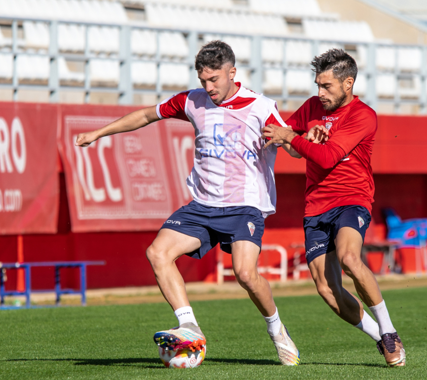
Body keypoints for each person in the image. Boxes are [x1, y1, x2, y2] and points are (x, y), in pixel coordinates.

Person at [75, 40, 300, 366]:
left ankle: (277, 330)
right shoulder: (191, 101)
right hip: (203, 205)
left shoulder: (261, 106)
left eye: (215, 80)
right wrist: (99, 133)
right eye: (203, 80)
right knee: (158, 252)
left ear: (232, 73)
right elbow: (144, 116)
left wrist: (290, 141)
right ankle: (189, 325)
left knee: (246, 274)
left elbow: (290, 144)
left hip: (244, 206)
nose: (209, 88)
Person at [263, 48, 406, 367]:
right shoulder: (312, 107)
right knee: (327, 289)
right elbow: (290, 145)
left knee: (349, 257)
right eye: (317, 84)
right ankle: (378, 337)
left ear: (348, 83)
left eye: (326, 86)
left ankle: (390, 331)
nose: (320, 93)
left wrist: (294, 138)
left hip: (352, 197)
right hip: (316, 205)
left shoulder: (363, 116)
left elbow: (327, 157)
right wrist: (294, 140)